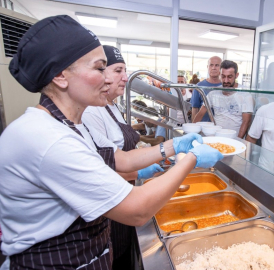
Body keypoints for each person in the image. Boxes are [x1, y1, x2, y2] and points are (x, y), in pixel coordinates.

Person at [0, 15, 223, 270]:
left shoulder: (71, 124)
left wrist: (175, 146)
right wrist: (192, 159)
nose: (108, 79)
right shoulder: (46, 138)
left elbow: (121, 159)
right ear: (61, 77)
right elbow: (137, 210)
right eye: (99, 69)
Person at [82, 45, 162, 269]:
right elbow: (105, 167)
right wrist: (143, 169)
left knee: (123, 253)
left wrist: (159, 152)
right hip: (112, 202)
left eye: (125, 71)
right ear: (101, 74)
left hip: (124, 189)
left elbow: (119, 153)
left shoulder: (111, 106)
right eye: (118, 70)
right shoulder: (90, 111)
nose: (125, 78)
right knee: (117, 258)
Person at [193, 60, 254, 138]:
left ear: (236, 75)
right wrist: (192, 132)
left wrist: (238, 140)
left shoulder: (245, 94)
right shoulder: (213, 93)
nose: (226, 80)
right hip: (216, 137)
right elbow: (200, 114)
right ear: (219, 74)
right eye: (223, 76)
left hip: (235, 138)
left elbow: (246, 121)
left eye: (229, 77)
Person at [191, 56, 222, 122]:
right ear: (207, 67)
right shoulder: (199, 86)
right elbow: (195, 108)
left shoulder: (226, 86)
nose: (213, 68)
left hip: (221, 128)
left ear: (221, 68)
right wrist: (194, 127)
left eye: (217, 65)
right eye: (211, 65)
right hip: (203, 128)